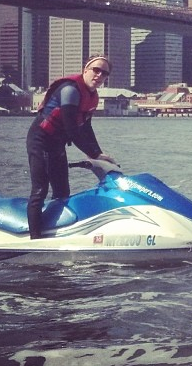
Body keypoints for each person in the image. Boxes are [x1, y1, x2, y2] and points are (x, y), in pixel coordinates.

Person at [26, 54, 116, 239]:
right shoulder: (70, 90)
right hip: (40, 140)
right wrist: (93, 155)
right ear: (85, 70)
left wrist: (99, 153)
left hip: (57, 143)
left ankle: (55, 231)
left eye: (104, 73)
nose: (99, 75)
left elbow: (86, 127)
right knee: (40, 190)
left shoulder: (92, 96)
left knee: (62, 191)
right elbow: (71, 129)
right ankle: (34, 239)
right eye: (95, 70)